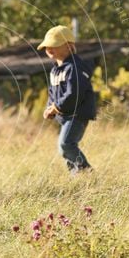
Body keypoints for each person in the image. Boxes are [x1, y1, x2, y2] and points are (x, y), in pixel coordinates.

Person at [39, 25, 96, 173]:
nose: (49, 48)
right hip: (64, 114)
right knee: (66, 149)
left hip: (78, 114)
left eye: (55, 45)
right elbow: (52, 93)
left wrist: (56, 107)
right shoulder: (54, 70)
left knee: (66, 145)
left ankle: (86, 172)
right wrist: (49, 107)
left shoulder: (75, 67)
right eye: (47, 46)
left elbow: (74, 93)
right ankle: (77, 176)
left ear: (69, 47)